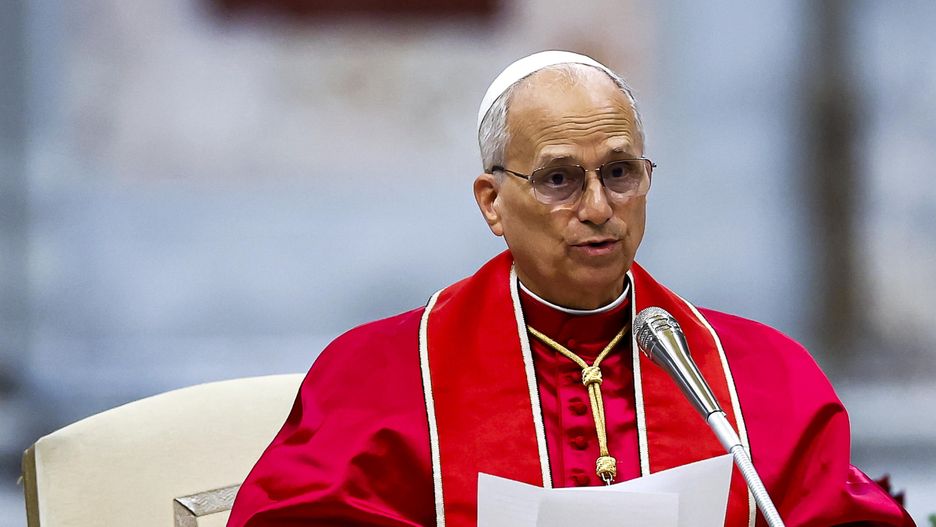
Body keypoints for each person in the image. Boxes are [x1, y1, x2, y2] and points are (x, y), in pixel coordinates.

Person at [227, 51, 914, 527]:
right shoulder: (379, 377)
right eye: (559, 178)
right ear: (492, 202)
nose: (597, 206)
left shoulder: (762, 376)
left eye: (619, 171)